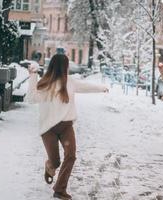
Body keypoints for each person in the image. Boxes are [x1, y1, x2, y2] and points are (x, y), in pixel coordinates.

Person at [25, 54, 109, 200]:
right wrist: (33, 76)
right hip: (48, 129)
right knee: (56, 162)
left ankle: (59, 189)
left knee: (70, 156)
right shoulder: (46, 84)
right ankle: (50, 165)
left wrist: (102, 88)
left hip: (66, 127)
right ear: (62, 67)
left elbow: (86, 87)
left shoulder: (70, 82)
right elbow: (31, 98)